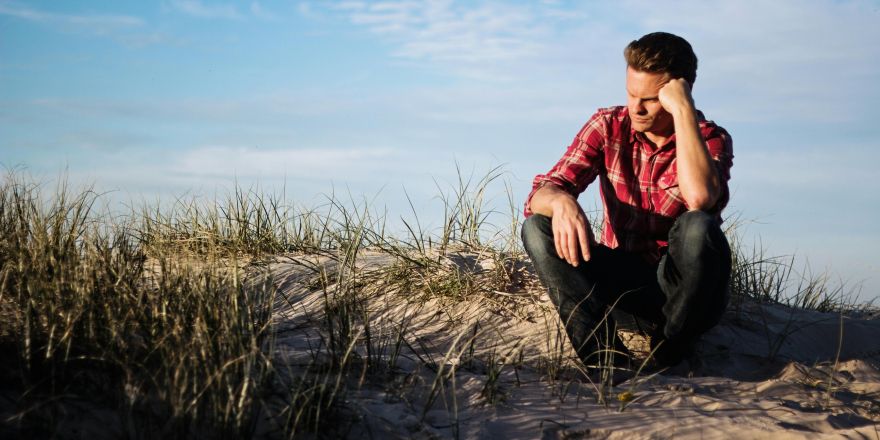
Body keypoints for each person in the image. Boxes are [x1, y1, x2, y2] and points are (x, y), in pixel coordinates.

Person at [521, 32, 733, 372]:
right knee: (536, 227)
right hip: (626, 283)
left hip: (690, 294)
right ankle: (606, 362)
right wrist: (560, 201)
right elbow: (541, 192)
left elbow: (700, 198)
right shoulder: (608, 125)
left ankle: (669, 352)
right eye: (631, 94)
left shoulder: (710, 138)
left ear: (680, 92)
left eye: (650, 99)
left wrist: (683, 112)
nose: (636, 107)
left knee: (698, 226)